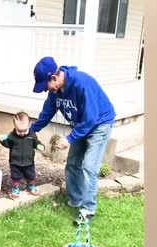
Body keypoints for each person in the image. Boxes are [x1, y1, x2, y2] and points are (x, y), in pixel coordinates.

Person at [29, 56, 116, 224]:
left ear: (54, 78)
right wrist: (30, 130)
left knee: (89, 167)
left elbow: (91, 118)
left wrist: (70, 138)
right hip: (81, 125)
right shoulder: (56, 92)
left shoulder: (82, 83)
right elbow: (48, 112)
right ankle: (75, 200)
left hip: (99, 124)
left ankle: (88, 209)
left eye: (45, 86)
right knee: (73, 164)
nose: (46, 90)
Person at [0, 112, 46, 199]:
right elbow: (8, 144)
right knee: (15, 176)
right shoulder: (12, 136)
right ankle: (15, 188)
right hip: (15, 162)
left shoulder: (32, 135)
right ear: (15, 127)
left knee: (31, 175)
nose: (22, 133)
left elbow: (36, 143)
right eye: (19, 131)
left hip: (29, 161)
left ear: (28, 126)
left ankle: (30, 186)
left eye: (25, 130)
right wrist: (3, 140)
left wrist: (40, 146)